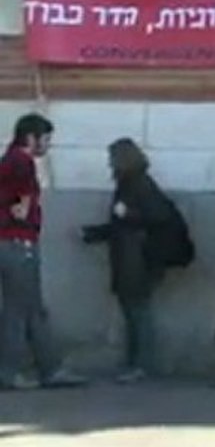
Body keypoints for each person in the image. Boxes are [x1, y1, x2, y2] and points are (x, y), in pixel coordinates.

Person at [0, 114, 86, 390]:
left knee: (29, 309)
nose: (47, 146)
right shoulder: (22, 162)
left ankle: (49, 368)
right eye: (45, 139)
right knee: (21, 310)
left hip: (10, 243)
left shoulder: (8, 160)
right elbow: (22, 205)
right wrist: (22, 212)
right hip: (18, 244)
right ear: (31, 137)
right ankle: (14, 372)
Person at [81, 138, 172, 383]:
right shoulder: (133, 183)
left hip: (137, 259)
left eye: (112, 158)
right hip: (132, 257)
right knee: (134, 312)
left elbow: (153, 217)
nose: (109, 163)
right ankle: (136, 362)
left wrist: (127, 215)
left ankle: (142, 364)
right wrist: (94, 233)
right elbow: (120, 224)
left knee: (138, 312)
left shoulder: (137, 184)